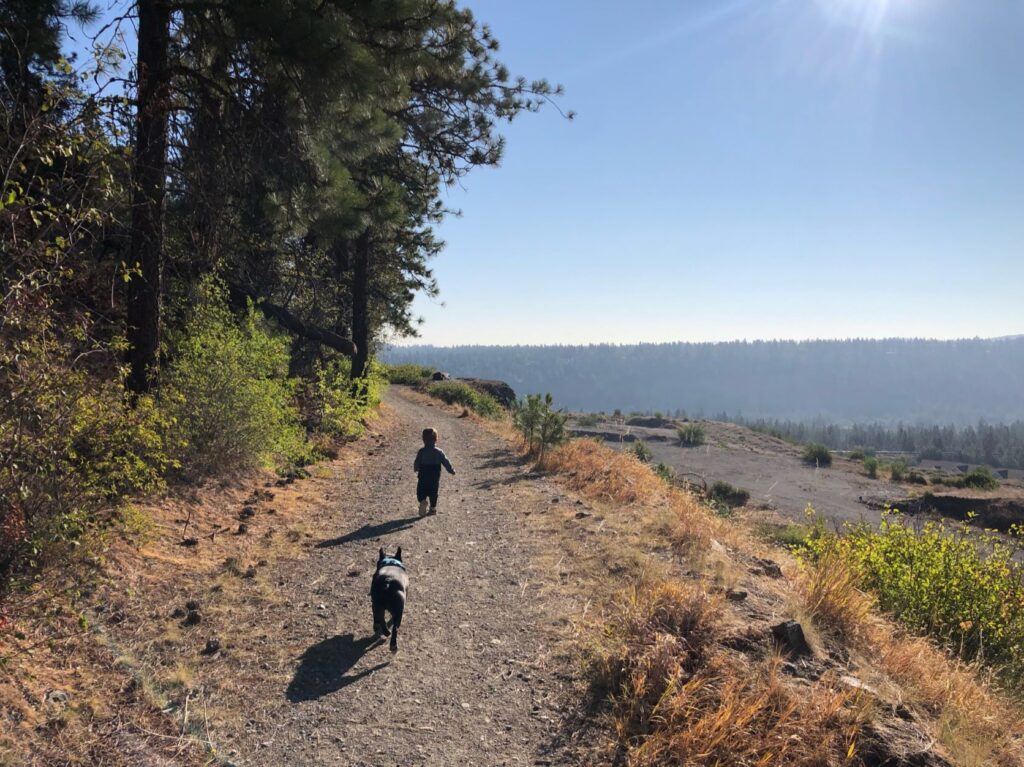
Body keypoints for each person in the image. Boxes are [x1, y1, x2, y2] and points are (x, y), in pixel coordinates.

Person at [413, 427, 455, 516]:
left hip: (423, 475)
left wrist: (416, 468)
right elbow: (446, 461)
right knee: (433, 493)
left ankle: (422, 501)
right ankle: (432, 508)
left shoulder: (421, 451)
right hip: (434, 476)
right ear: (436, 439)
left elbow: (417, 461)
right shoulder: (439, 452)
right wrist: (451, 470)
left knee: (421, 490)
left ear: (423, 440)